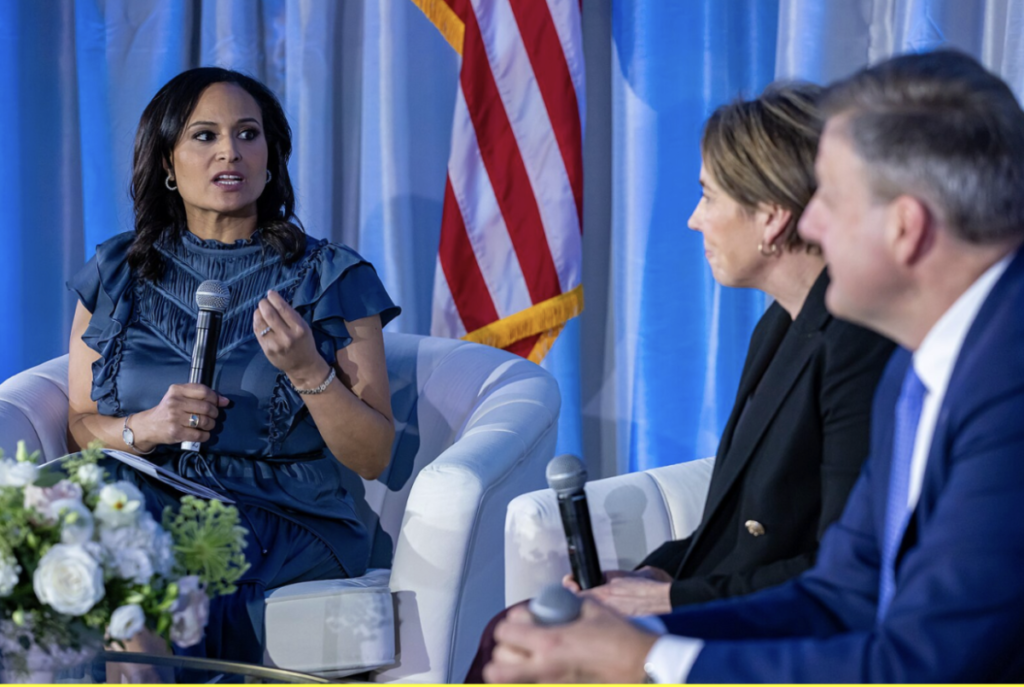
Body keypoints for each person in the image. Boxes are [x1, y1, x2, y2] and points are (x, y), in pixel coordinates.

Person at [484, 49, 1024, 683]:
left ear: (906, 228)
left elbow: (922, 665)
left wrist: (651, 660)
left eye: (831, 200)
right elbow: (839, 595)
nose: (810, 221)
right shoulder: (924, 362)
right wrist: (632, 636)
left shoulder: (1007, 383)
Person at [464, 83, 894, 680]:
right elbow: (733, 516)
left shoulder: (861, 346)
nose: (694, 221)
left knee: (525, 644)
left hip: (782, 629)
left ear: (770, 217)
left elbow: (841, 572)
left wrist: (667, 601)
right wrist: (652, 575)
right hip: (724, 597)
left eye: (708, 198)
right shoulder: (778, 324)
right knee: (512, 627)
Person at [66, 68, 399, 664]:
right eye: (204, 135)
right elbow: (81, 423)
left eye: (248, 133)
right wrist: (148, 427)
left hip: (282, 513)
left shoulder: (331, 275)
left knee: (124, 541)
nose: (230, 151)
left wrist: (307, 373)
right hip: (147, 489)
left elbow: (374, 456)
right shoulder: (116, 270)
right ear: (167, 162)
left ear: (271, 158)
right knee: (87, 513)